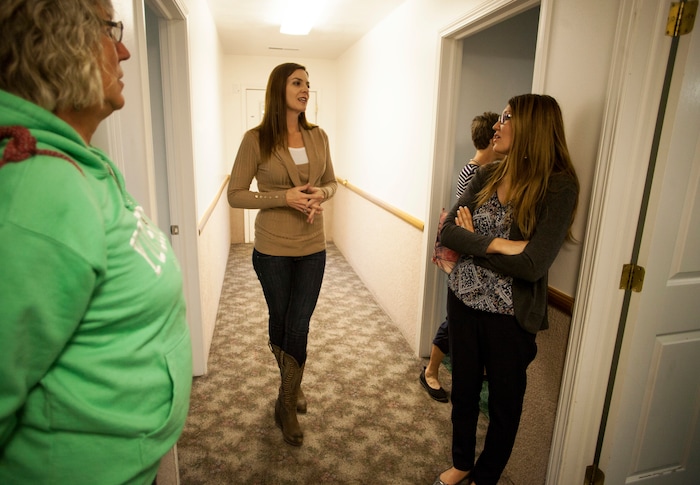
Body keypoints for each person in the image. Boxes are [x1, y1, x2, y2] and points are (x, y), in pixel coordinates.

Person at [0, 1, 193, 484]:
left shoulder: (78, 164)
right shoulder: (33, 190)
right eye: (111, 32)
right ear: (59, 44)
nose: (124, 51)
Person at [433, 94, 579, 485]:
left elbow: (532, 265)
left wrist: (474, 242)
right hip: (462, 300)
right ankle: (461, 463)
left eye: (507, 117)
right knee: (463, 390)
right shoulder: (487, 174)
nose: (497, 125)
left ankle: (486, 476)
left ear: (532, 127)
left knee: (504, 403)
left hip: (509, 318)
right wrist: (497, 244)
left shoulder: (559, 188)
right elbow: (447, 231)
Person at [227, 62, 337, 447]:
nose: (305, 88)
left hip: (313, 247)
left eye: (308, 83)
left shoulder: (319, 136)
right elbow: (236, 194)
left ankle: (286, 399)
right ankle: (290, 389)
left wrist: (320, 194)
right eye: (297, 82)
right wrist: (284, 197)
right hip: (272, 248)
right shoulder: (255, 139)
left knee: (299, 323)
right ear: (279, 89)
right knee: (280, 318)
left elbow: (330, 182)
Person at [421, 111, 500, 403]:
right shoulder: (475, 172)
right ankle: (430, 370)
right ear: (492, 138)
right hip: (468, 257)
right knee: (454, 320)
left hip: (479, 256)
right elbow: (471, 221)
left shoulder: (488, 168)